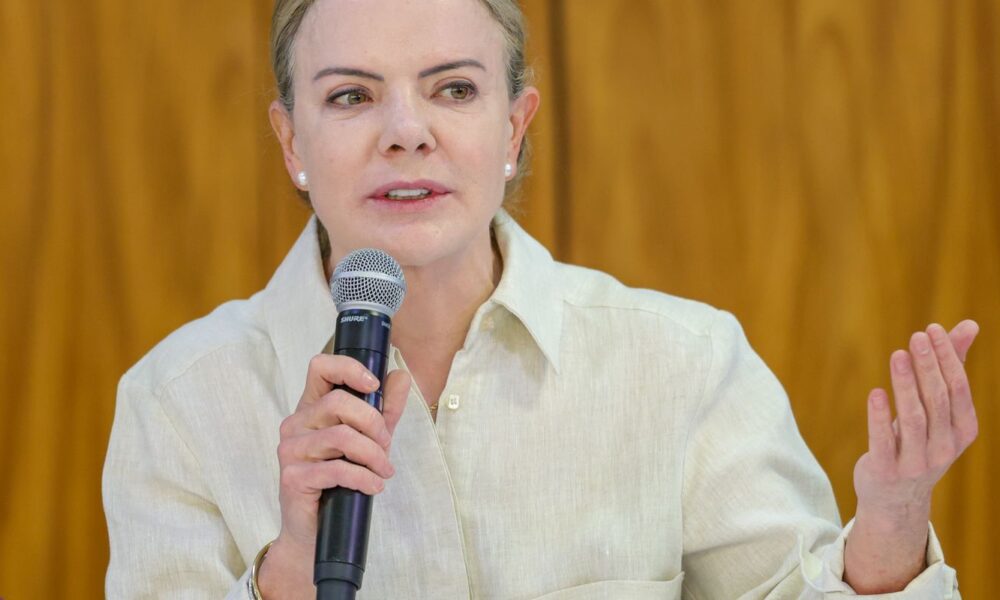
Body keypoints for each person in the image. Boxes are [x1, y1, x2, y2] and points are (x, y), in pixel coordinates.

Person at [103, 0, 981, 598]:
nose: (406, 131)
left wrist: (891, 528)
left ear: (514, 129)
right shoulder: (176, 403)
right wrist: (292, 570)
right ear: (292, 141)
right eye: (351, 96)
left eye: (453, 89)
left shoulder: (684, 365)